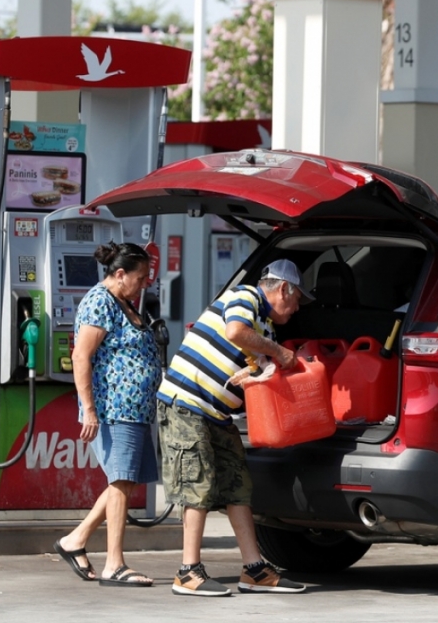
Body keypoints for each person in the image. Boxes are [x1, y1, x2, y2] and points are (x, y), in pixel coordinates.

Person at [156, 258, 311, 596]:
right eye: (297, 298)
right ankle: (188, 571)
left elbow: (256, 369)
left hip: (218, 414)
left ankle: (255, 569)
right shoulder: (245, 297)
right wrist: (279, 353)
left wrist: (263, 368)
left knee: (238, 484)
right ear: (283, 288)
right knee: (199, 484)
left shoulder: (267, 327)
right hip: (187, 404)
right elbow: (236, 332)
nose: (297, 308)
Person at [53, 241, 163, 587]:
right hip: (115, 408)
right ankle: (114, 564)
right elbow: (81, 356)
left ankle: (75, 541)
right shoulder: (100, 302)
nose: (145, 283)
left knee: (123, 481)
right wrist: (89, 410)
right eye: (141, 276)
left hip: (134, 409)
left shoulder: (124, 302)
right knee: (120, 481)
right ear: (119, 274)